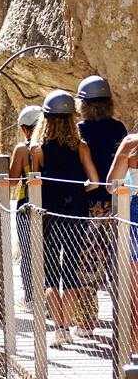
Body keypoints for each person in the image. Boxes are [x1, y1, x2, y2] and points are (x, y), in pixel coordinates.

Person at [29, 91, 100, 345]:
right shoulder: (81, 146)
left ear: (45, 118)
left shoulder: (37, 149)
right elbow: (93, 182)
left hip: (48, 215)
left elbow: (33, 183)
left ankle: (58, 328)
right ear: (72, 119)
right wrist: (76, 191)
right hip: (76, 215)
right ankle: (66, 328)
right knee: (70, 270)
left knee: (50, 272)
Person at [75, 75, 127, 329]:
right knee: (119, 259)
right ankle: (124, 319)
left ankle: (86, 319)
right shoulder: (118, 129)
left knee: (88, 259)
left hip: (90, 203)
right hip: (119, 203)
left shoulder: (81, 130)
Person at [107, 125, 138, 353]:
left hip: (134, 216)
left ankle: (134, 357)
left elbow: (111, 184)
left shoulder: (131, 143)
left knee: (134, 297)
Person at [9, 105, 42, 306]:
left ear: (24, 128)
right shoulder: (51, 147)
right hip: (49, 203)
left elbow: (12, 180)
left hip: (26, 204)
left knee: (28, 253)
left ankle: (31, 297)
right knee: (48, 251)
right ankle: (49, 295)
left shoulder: (23, 149)